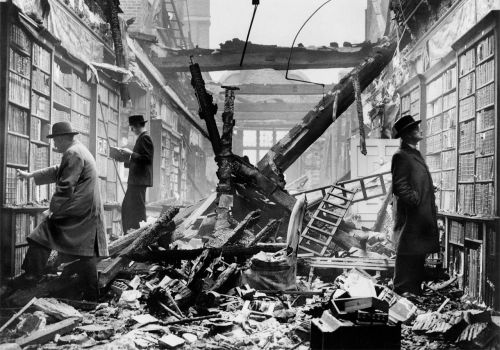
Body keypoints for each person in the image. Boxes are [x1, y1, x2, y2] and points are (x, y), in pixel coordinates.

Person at [16, 122, 108, 300]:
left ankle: (31, 276)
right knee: (85, 250)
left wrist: (52, 210)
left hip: (79, 209)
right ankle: (92, 296)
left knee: (41, 234)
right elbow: (59, 170)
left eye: (56, 140)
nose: (54, 144)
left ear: (63, 138)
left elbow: (65, 186)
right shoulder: (78, 149)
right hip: (87, 209)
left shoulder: (73, 152)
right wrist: (31, 175)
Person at [391, 115, 439, 297]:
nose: (420, 130)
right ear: (407, 134)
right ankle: (403, 291)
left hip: (419, 215)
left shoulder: (413, 154)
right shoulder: (401, 156)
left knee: (417, 253)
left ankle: (413, 292)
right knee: (407, 254)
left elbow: (412, 180)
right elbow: (400, 186)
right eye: (416, 128)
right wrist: (416, 200)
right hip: (412, 216)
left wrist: (426, 187)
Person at [120, 115, 154, 234]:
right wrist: (124, 159)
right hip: (136, 181)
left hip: (139, 181)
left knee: (137, 209)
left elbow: (147, 159)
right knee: (128, 208)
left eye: (132, 127)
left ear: (138, 126)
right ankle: (131, 232)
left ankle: (140, 233)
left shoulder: (145, 138)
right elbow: (139, 161)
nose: (132, 130)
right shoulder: (141, 138)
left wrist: (131, 153)